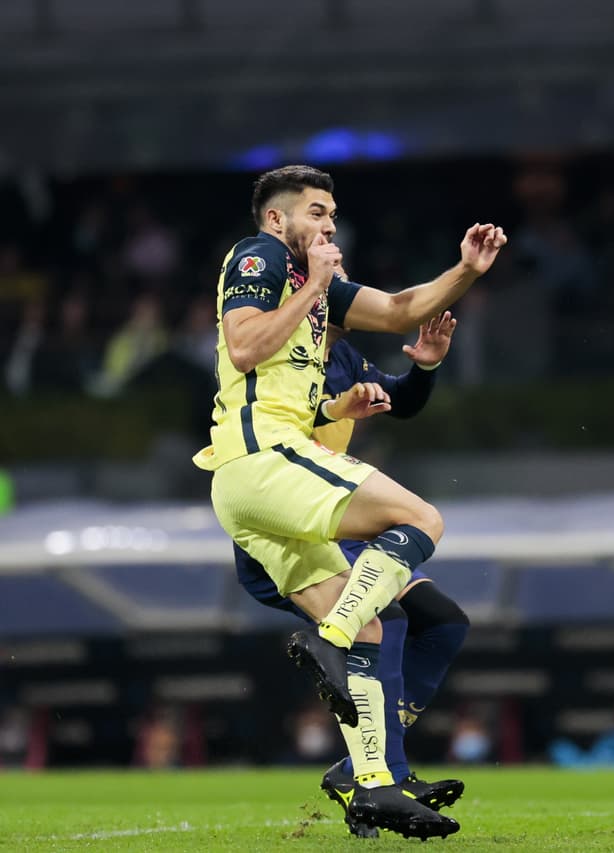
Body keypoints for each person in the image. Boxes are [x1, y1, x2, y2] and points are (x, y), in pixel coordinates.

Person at [193, 164, 505, 839]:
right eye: (315, 210)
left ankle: (372, 786)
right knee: (422, 520)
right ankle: (329, 643)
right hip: (263, 458)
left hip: (262, 489)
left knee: (371, 627)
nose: (330, 222)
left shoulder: (318, 290)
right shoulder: (262, 256)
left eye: (334, 212)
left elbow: (399, 311)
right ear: (278, 220)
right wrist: (310, 290)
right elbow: (244, 347)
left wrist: (466, 269)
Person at [233, 312, 469, 836]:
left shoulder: (341, 355)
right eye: (329, 271)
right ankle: (380, 776)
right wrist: (336, 408)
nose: (343, 284)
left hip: (330, 514)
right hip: (290, 516)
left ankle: (366, 771)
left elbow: (399, 400)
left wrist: (425, 369)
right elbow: (272, 423)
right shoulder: (279, 348)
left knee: (442, 621)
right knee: (386, 621)